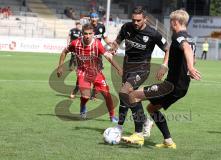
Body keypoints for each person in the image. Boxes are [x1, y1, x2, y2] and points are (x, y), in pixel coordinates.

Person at [119, 9, 201, 148]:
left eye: (171, 22)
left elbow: (186, 49)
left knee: (132, 95)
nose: (170, 25)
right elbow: (192, 55)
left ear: (175, 22)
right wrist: (186, 67)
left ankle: (138, 135)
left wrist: (191, 68)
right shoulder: (191, 39)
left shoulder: (178, 36)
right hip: (182, 88)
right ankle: (168, 141)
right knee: (152, 108)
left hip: (170, 86)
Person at [109, 6, 169, 145]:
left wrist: (164, 65)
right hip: (127, 67)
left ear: (145, 19)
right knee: (125, 97)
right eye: (133, 20)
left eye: (138, 20)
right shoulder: (126, 27)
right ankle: (126, 125)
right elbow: (118, 40)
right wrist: (114, 46)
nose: (135, 23)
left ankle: (138, 132)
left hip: (142, 69)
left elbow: (167, 48)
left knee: (125, 92)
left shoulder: (153, 34)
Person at [57, 23, 123, 121]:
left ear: (93, 34)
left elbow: (108, 56)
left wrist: (119, 68)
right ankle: (83, 107)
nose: (87, 36)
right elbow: (64, 52)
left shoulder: (97, 44)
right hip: (82, 72)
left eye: (89, 33)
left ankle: (112, 116)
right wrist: (60, 67)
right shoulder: (76, 43)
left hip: (96, 73)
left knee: (107, 95)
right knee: (86, 96)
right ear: (82, 33)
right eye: (85, 33)